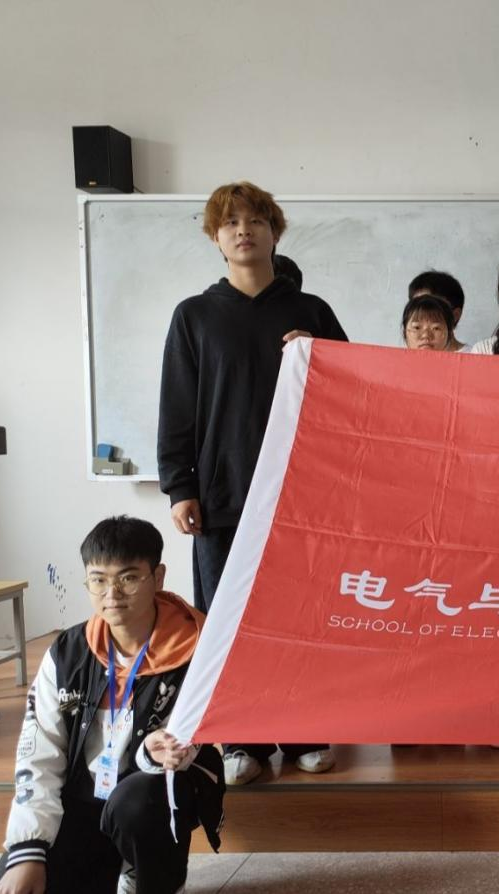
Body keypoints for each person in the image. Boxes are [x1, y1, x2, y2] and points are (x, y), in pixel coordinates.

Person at [157, 180, 340, 785]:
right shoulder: (195, 315)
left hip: (304, 496)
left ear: (274, 232)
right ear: (215, 238)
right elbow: (177, 406)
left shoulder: (311, 312)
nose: (243, 230)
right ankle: (241, 741)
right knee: (228, 621)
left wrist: (321, 355)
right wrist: (180, 486)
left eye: (255, 220)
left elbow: (356, 392)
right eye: (230, 222)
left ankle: (305, 731)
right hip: (224, 497)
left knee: (302, 617)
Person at [0, 516, 224, 894]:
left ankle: (145, 873)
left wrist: (152, 754)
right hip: (85, 800)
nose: (111, 594)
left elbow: (193, 744)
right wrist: (29, 850)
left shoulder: (198, 646)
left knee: (137, 802)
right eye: (98, 580)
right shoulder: (67, 653)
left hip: (156, 795)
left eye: (128, 578)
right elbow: (39, 753)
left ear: (158, 577)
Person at [408, 270, 466, 351]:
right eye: (416, 306)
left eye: (429, 306)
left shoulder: (475, 354)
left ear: (455, 316)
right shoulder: (399, 356)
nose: (425, 334)